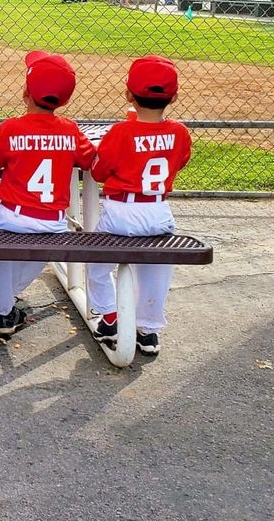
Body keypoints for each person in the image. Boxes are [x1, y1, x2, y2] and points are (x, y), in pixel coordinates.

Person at [0, 52, 95, 337]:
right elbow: (91, 162)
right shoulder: (70, 130)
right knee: (31, 264)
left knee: (0, 259)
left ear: (26, 93)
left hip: (12, 218)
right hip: (53, 223)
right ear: (63, 101)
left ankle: (0, 312)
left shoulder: (13, 127)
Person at [87, 56, 193, 356]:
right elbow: (180, 161)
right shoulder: (179, 132)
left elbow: (98, 172)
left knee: (96, 265)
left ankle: (110, 319)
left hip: (122, 212)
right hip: (159, 211)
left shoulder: (121, 132)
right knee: (156, 270)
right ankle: (148, 332)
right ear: (173, 97)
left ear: (128, 95)